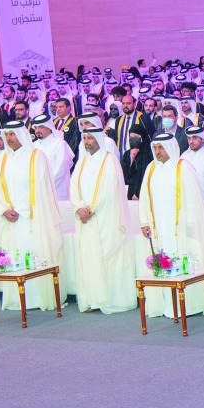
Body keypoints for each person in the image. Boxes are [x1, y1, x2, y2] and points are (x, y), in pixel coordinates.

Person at [0, 121, 65, 312]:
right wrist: (4, 209)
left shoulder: (36, 156)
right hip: (10, 219)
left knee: (36, 255)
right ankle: (17, 299)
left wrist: (23, 210)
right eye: (7, 135)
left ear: (21, 135)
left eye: (12, 134)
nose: (9, 139)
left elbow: (43, 188)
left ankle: (39, 298)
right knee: (14, 256)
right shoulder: (3, 159)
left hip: (32, 218)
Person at [138, 133, 204, 319]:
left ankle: (188, 305)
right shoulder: (151, 168)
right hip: (159, 229)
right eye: (155, 148)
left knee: (183, 260)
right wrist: (144, 221)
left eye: (161, 148)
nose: (158, 152)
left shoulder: (184, 168)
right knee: (162, 260)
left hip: (181, 228)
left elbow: (193, 199)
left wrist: (188, 224)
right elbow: (144, 197)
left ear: (170, 148)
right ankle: (167, 305)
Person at [70, 127, 136, 314]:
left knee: (107, 256)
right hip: (85, 218)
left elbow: (109, 189)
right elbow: (73, 186)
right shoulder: (82, 161)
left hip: (105, 217)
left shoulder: (110, 160)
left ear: (99, 139)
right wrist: (78, 208)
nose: (87, 142)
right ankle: (92, 299)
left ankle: (110, 300)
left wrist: (90, 209)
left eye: (91, 138)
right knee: (88, 257)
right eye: (85, 138)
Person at [32, 114, 74, 200]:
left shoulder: (60, 144)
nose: (37, 130)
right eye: (35, 127)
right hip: (37, 192)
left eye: (41, 127)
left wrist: (44, 185)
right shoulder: (33, 146)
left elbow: (61, 170)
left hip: (57, 192)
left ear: (49, 127)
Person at [121, 123, 152, 200]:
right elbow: (123, 175)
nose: (133, 140)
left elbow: (147, 175)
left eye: (136, 137)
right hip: (128, 193)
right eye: (131, 137)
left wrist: (138, 193)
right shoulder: (127, 154)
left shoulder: (149, 154)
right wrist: (131, 160)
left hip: (144, 193)